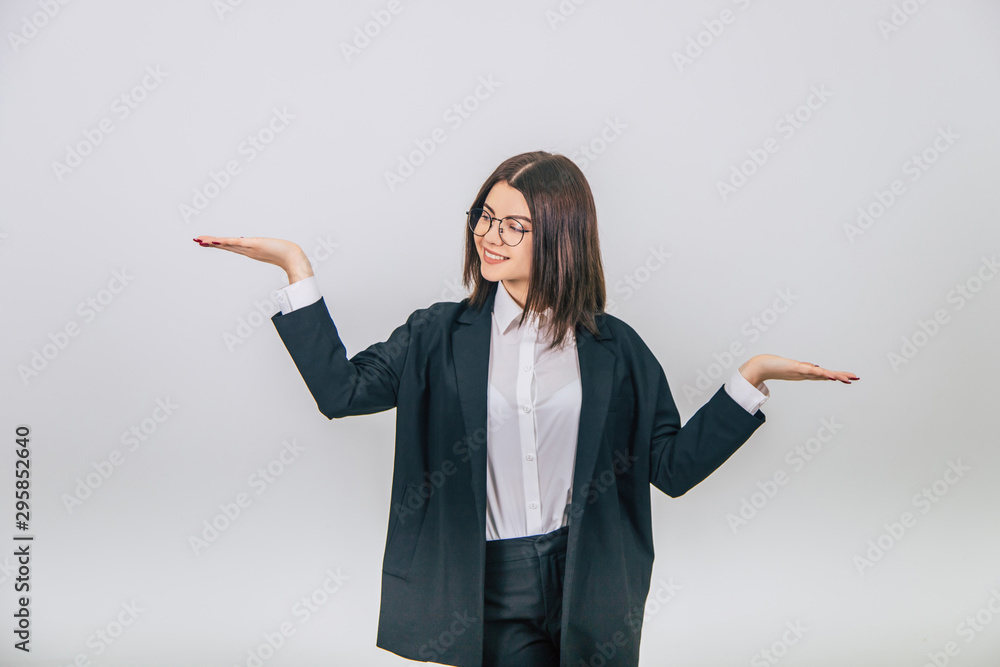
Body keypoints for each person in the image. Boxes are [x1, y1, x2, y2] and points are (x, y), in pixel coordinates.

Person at [194, 150, 858, 667]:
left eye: (515, 225)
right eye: (484, 217)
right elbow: (341, 392)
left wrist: (750, 378)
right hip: (488, 579)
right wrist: (296, 269)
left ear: (563, 236)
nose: (491, 235)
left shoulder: (615, 348)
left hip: (590, 576)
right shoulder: (435, 335)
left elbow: (671, 468)